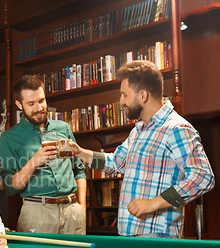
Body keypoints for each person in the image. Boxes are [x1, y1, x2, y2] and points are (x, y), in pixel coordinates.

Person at [69, 60, 215, 238]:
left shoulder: (177, 129)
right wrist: (80, 152)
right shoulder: (138, 130)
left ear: (143, 95)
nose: (121, 101)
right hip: (129, 235)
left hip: (157, 236)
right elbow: (116, 163)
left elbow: (203, 177)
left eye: (124, 95)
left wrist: (153, 203)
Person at [0, 75, 87, 235]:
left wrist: (82, 207)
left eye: (41, 101)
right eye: (31, 104)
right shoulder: (9, 138)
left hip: (73, 212)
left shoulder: (63, 128)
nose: (38, 107)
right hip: (36, 213)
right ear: (19, 104)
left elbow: (79, 169)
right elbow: (11, 187)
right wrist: (34, 161)